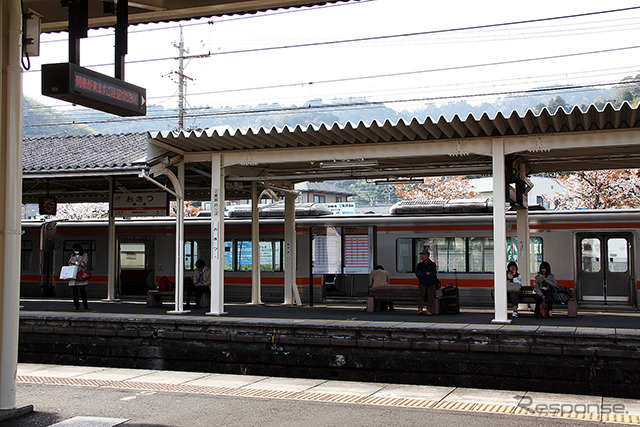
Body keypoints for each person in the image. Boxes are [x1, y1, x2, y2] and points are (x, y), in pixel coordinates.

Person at [415, 248, 437, 315]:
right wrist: (426, 273)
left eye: (424, 254)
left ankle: (428, 309)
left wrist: (423, 274)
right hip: (423, 282)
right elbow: (417, 274)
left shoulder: (432, 264)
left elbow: (433, 274)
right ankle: (420, 309)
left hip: (431, 282)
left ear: (428, 256)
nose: (422, 256)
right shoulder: (419, 265)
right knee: (420, 295)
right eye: (421, 255)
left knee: (431, 296)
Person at [68, 243, 90, 310]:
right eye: (74, 250)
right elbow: (69, 263)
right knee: (75, 292)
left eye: (76, 250)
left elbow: (84, 263)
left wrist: (76, 263)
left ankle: (85, 305)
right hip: (74, 275)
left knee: (82, 291)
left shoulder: (84, 255)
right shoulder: (72, 255)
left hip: (81, 274)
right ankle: (76, 305)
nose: (75, 251)